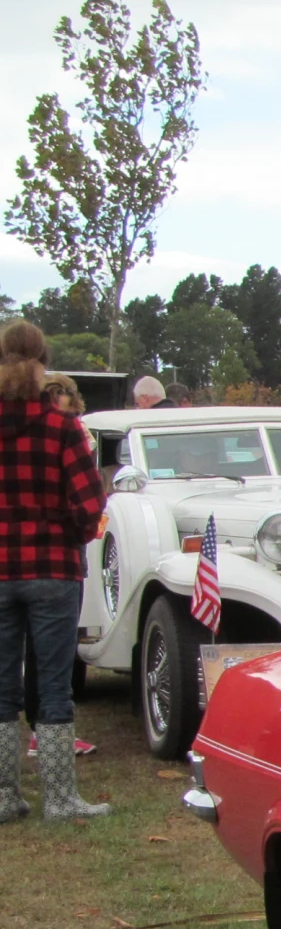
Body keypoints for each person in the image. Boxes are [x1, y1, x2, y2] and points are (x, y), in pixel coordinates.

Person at [0, 320, 109, 821]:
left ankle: (4, 796)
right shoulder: (62, 427)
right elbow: (90, 504)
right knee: (53, 683)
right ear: (44, 358)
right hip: (53, 569)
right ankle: (61, 798)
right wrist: (72, 533)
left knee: (2, 685)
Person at [21, 375, 96, 757]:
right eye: (54, 396)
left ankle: (31, 746)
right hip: (55, 556)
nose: (60, 403)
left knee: (44, 656)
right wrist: (80, 531)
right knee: (52, 660)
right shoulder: (66, 433)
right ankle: (53, 766)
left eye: (64, 396)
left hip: (24, 558)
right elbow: (88, 500)